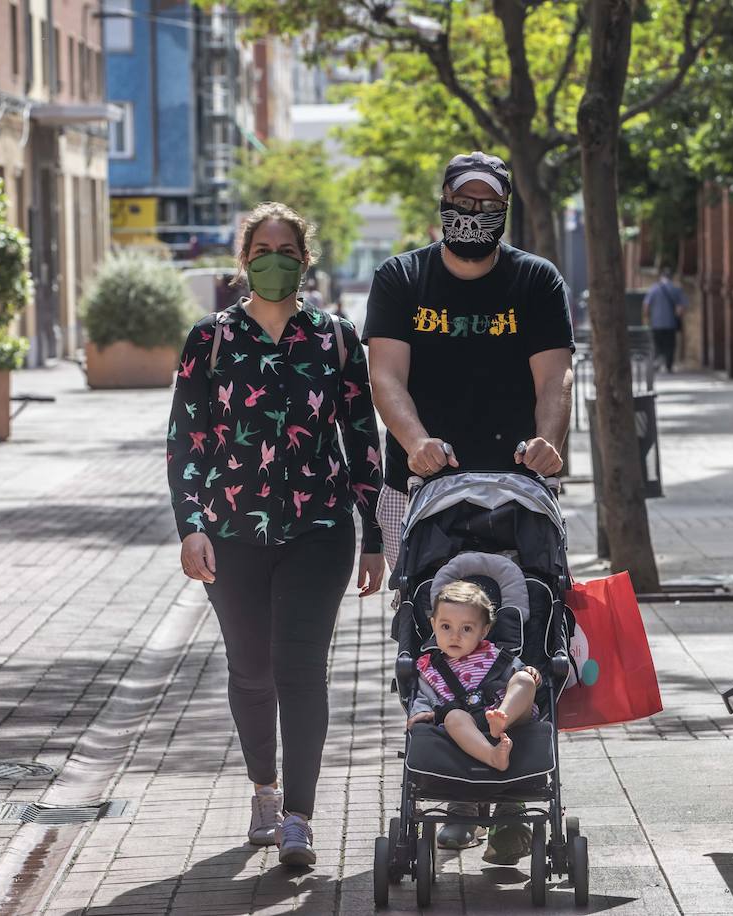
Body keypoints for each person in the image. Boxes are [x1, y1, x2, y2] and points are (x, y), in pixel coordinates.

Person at [364, 150, 573, 862]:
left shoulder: (536, 281)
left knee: (527, 631)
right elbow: (385, 375)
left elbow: (554, 378)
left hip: (518, 490)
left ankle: (514, 794)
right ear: (444, 203)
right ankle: (453, 784)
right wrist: (416, 442)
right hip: (424, 489)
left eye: (488, 205)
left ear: (503, 211)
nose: (474, 215)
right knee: (430, 632)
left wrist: (548, 444)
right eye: (464, 201)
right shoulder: (401, 278)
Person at [166, 201, 386, 868]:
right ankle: (263, 787)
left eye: (286, 248)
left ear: (305, 258)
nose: (274, 259)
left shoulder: (336, 338)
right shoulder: (209, 340)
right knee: (251, 669)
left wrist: (373, 533)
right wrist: (191, 527)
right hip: (231, 534)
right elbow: (186, 440)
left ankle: (298, 816)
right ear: (244, 259)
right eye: (262, 248)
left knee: (299, 668)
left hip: (318, 531)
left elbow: (360, 438)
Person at [406, 580, 540, 772]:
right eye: (446, 627)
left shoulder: (495, 655)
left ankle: (501, 721)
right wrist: (420, 712)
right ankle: (492, 756)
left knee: (524, 680)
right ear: (433, 625)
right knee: (453, 717)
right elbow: (422, 696)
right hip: (466, 724)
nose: (455, 636)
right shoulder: (430, 668)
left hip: (508, 715)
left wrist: (531, 674)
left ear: (483, 631)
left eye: (466, 628)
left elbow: (518, 680)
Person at [643, 265, 686, 374]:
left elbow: (646, 305)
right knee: (670, 345)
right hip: (670, 323)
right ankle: (668, 365)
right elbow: (681, 308)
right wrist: (678, 318)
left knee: (657, 344)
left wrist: (647, 318)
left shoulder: (653, 289)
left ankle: (657, 361)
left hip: (656, 323)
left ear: (661, 276)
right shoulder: (676, 289)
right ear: (671, 277)